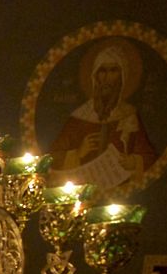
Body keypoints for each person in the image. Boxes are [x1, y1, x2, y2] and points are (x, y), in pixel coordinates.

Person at [47, 40, 157, 191]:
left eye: (113, 71)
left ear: (122, 76)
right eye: (102, 71)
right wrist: (78, 153)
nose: (106, 78)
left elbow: (149, 156)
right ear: (95, 76)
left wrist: (134, 161)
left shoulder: (129, 115)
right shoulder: (80, 116)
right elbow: (51, 158)